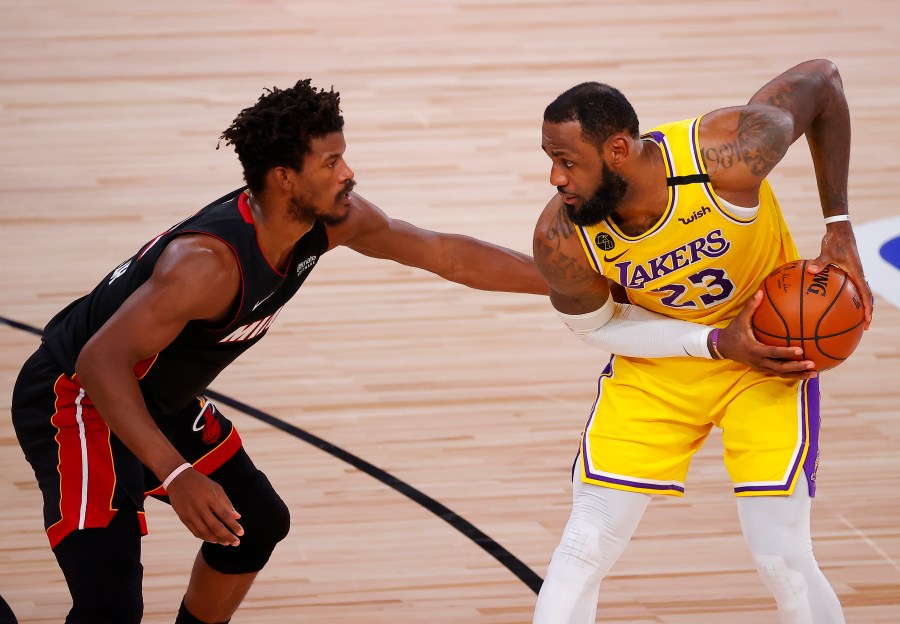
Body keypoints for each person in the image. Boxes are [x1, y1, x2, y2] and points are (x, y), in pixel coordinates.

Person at [11, 79, 547, 624]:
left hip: (156, 397)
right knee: (110, 606)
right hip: (81, 399)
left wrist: (563, 283)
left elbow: (444, 254)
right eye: (331, 162)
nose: (348, 174)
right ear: (284, 177)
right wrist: (175, 473)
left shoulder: (332, 219)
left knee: (255, 524)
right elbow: (99, 363)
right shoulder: (207, 265)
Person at [530, 59, 873, 624]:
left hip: (769, 357)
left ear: (618, 150)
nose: (555, 179)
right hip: (662, 359)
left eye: (567, 162)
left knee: (782, 560)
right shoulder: (562, 236)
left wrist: (838, 222)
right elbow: (595, 327)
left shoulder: (725, 153)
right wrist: (713, 343)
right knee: (581, 548)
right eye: (551, 160)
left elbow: (826, 82)